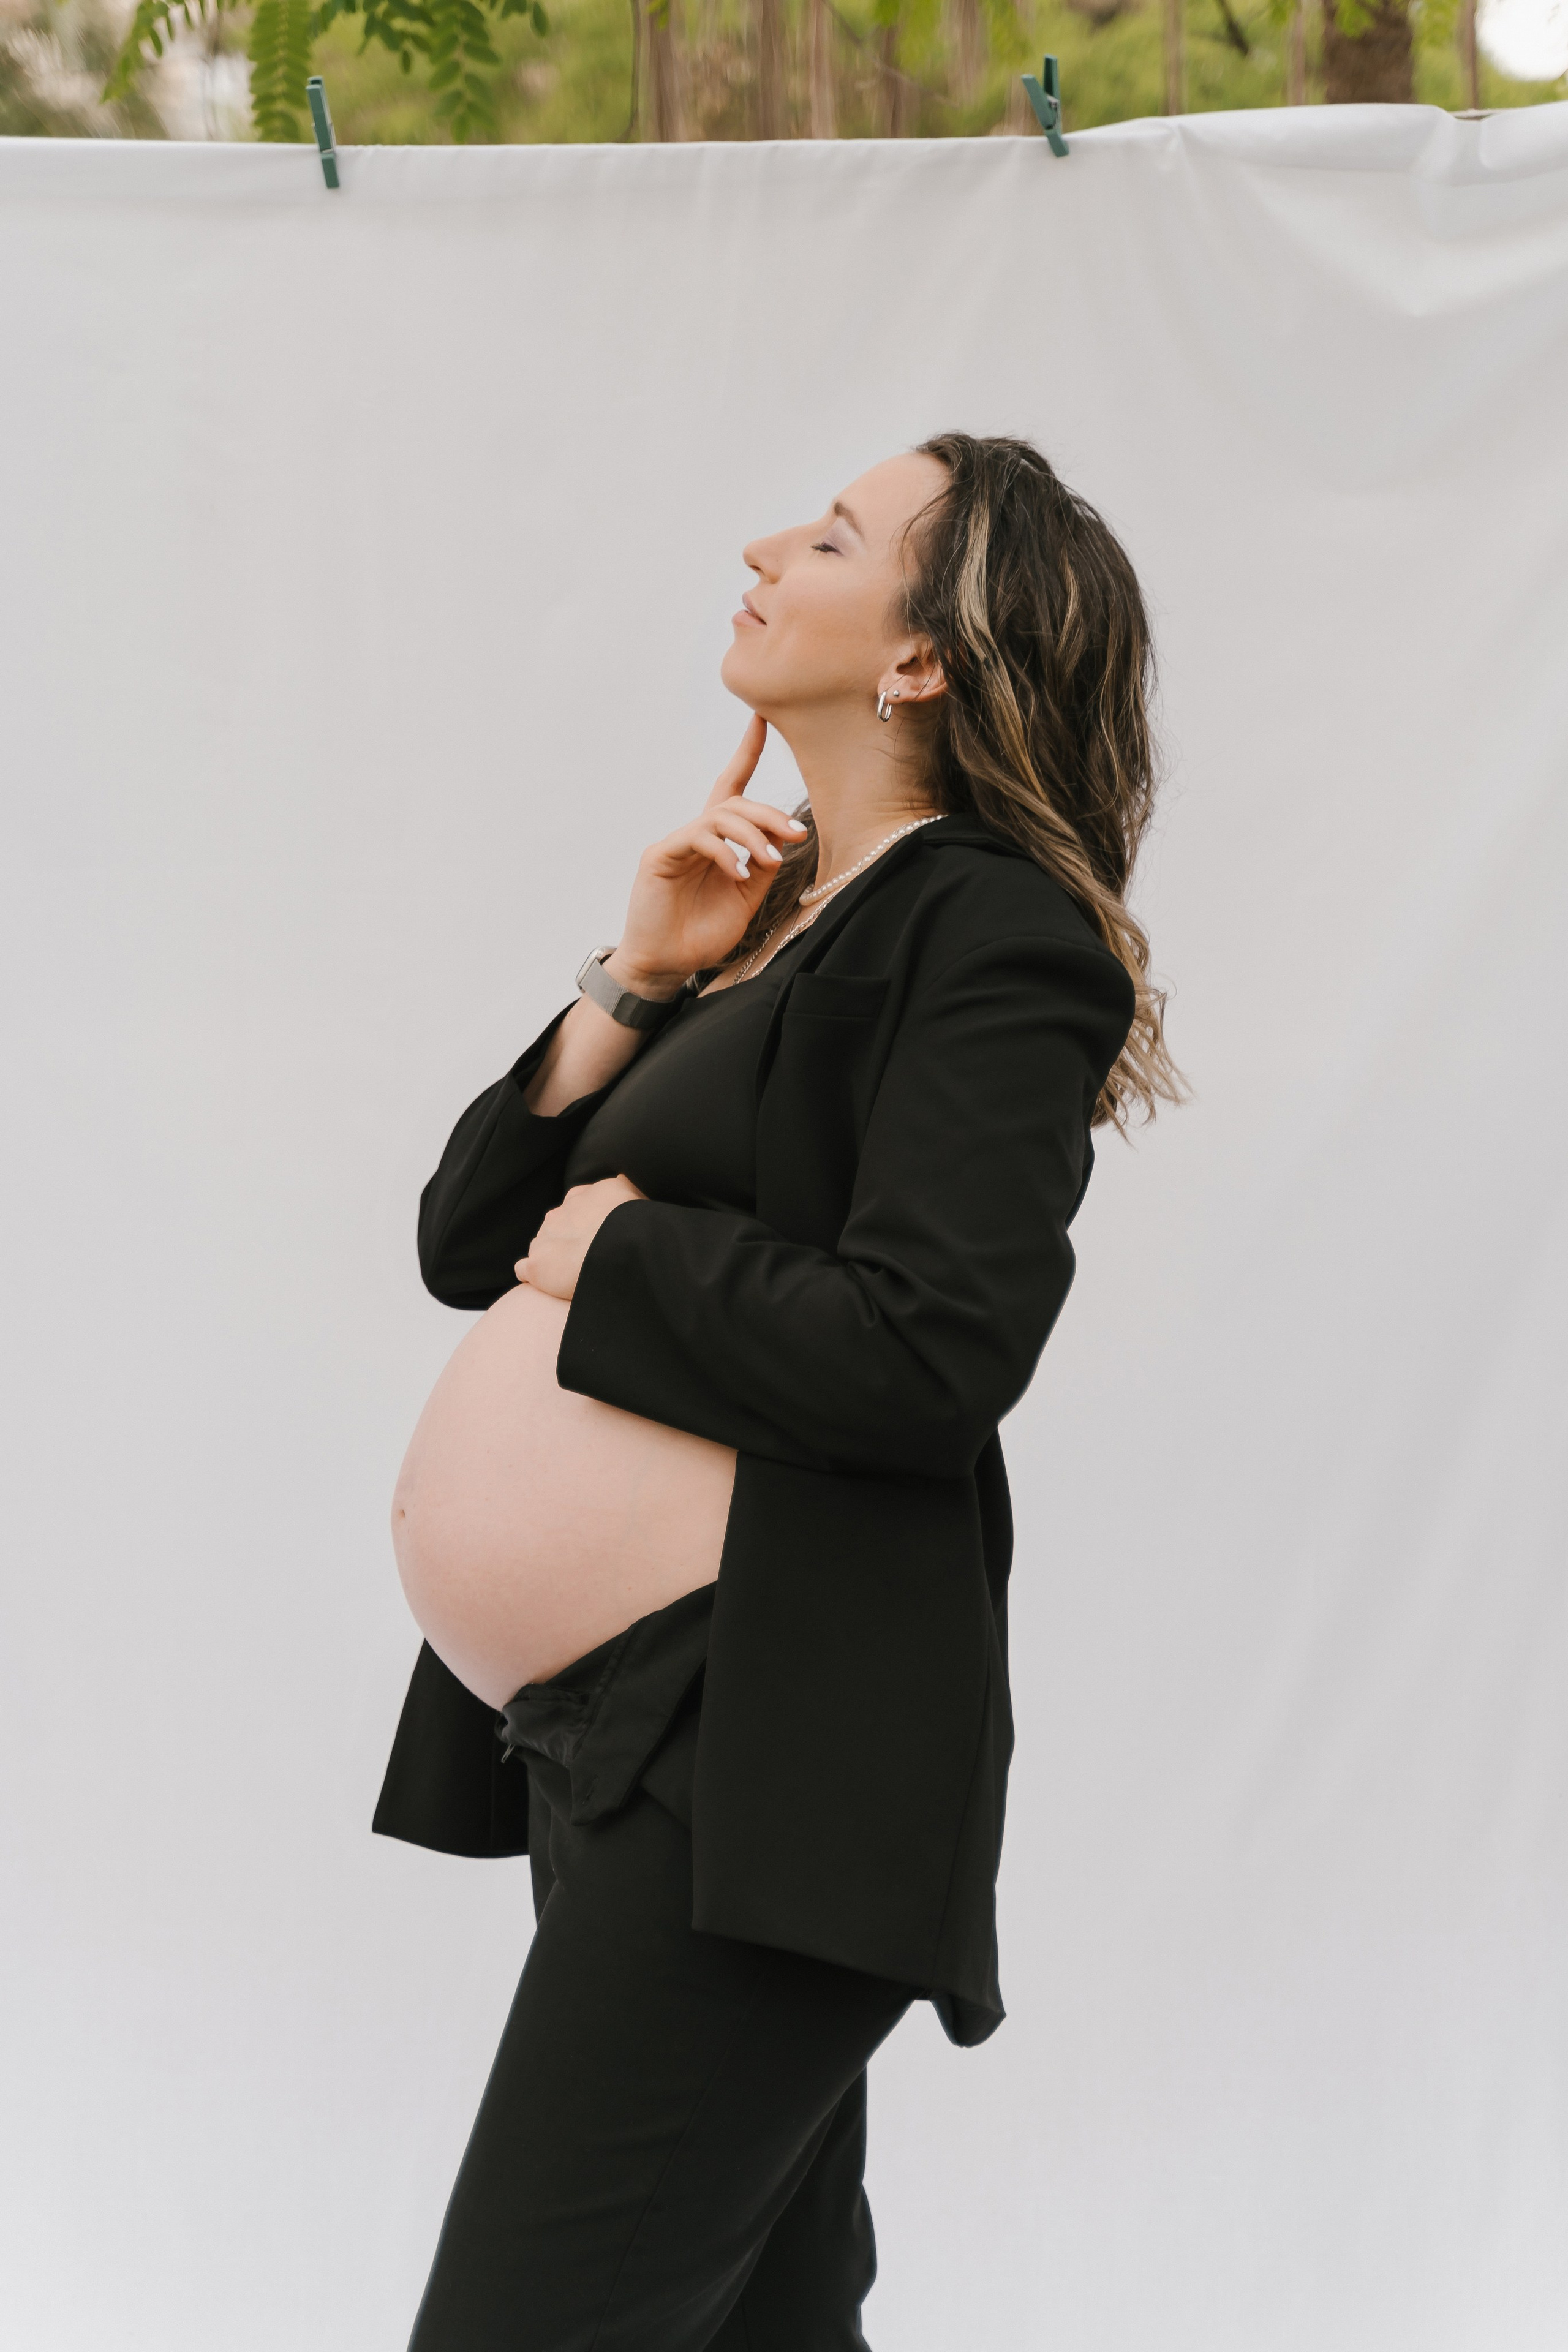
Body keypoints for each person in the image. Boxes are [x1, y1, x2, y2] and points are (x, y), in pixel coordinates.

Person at [372, 431, 1180, 2351]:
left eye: (828, 535)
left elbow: (934, 1350)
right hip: (624, 1752)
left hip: (766, 1750)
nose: (762, 544)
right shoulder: (781, 920)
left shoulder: (992, 928)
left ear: (921, 659)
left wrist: (622, 1252)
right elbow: (470, 1237)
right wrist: (636, 983)